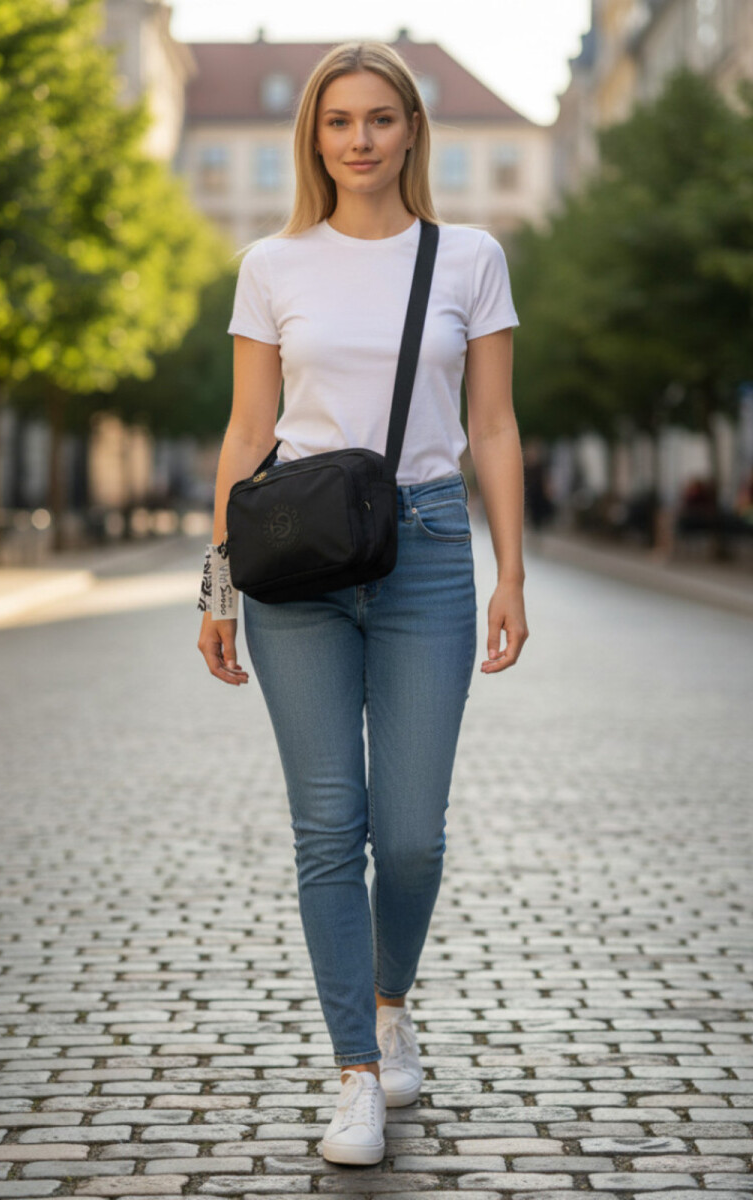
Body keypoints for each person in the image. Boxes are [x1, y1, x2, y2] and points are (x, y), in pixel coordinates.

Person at [197, 39, 529, 1167]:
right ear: (314, 138)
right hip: (294, 562)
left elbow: (490, 426)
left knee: (414, 835)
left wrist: (511, 574)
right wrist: (217, 583)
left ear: (409, 131)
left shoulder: (469, 256)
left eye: (379, 118)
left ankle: (391, 1002)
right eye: (338, 121)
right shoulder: (271, 264)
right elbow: (247, 433)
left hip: (429, 549)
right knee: (328, 826)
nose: (359, 139)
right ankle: (353, 1072)